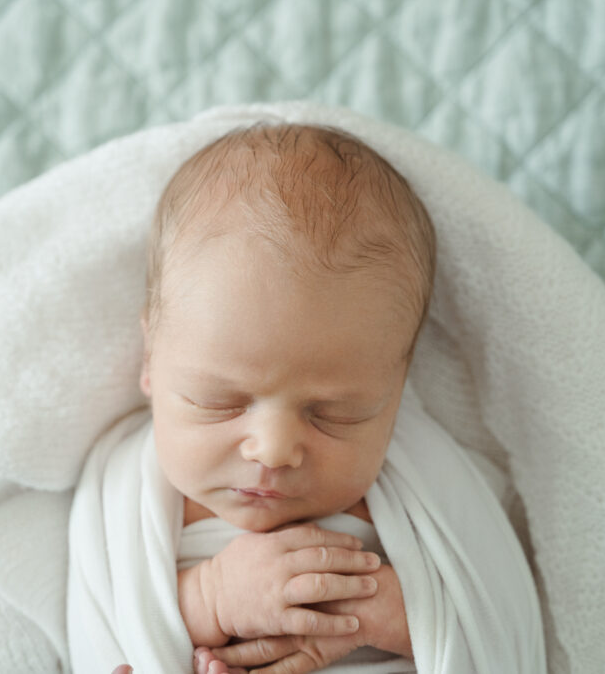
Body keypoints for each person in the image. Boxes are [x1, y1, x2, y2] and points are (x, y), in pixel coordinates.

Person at [136, 122, 434, 672]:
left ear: (397, 389)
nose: (272, 451)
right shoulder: (125, 495)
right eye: (219, 400)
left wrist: (390, 613)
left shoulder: (425, 490)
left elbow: (502, 625)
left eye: (335, 414)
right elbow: (97, 627)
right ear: (149, 358)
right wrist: (207, 599)